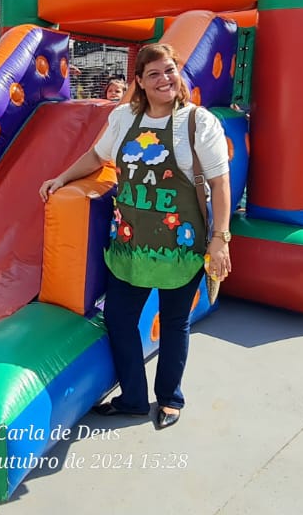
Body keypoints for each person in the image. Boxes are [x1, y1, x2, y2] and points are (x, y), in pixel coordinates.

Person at [39, 43, 232, 431]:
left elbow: (220, 182)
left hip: (182, 245)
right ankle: (131, 397)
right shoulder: (124, 117)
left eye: (169, 71)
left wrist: (220, 237)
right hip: (130, 243)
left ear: (178, 74)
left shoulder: (199, 122)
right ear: (140, 83)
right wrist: (62, 177)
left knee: (176, 323)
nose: (164, 80)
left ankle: (170, 398)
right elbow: (97, 157)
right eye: (154, 74)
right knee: (119, 318)